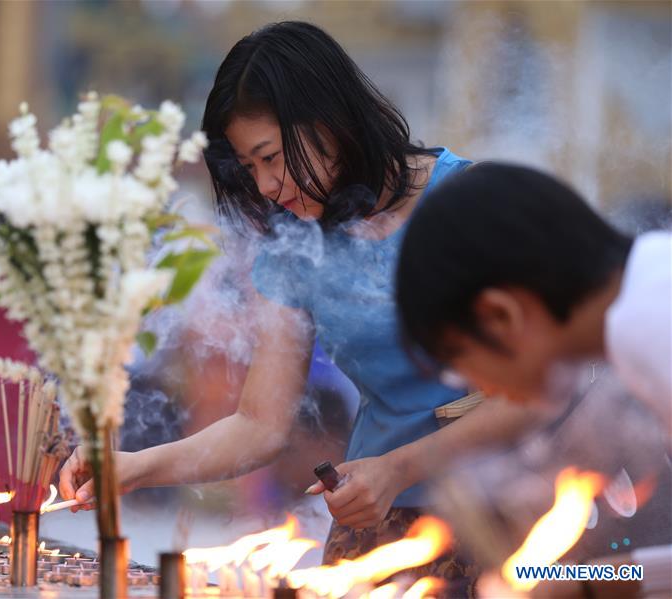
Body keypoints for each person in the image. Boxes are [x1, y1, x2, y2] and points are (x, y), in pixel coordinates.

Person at [60, 21, 535, 581]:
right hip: (380, 520)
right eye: (248, 168)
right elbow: (260, 424)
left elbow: (544, 390)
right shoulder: (294, 248)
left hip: (516, 509)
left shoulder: (469, 202)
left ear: (329, 121)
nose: (264, 186)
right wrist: (134, 467)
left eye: (271, 157)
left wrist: (398, 467)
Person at [394, 162, 672, 598]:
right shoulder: (646, 299)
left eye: (459, 361)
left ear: (501, 314)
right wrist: (583, 584)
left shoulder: (655, 329)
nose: (480, 388)